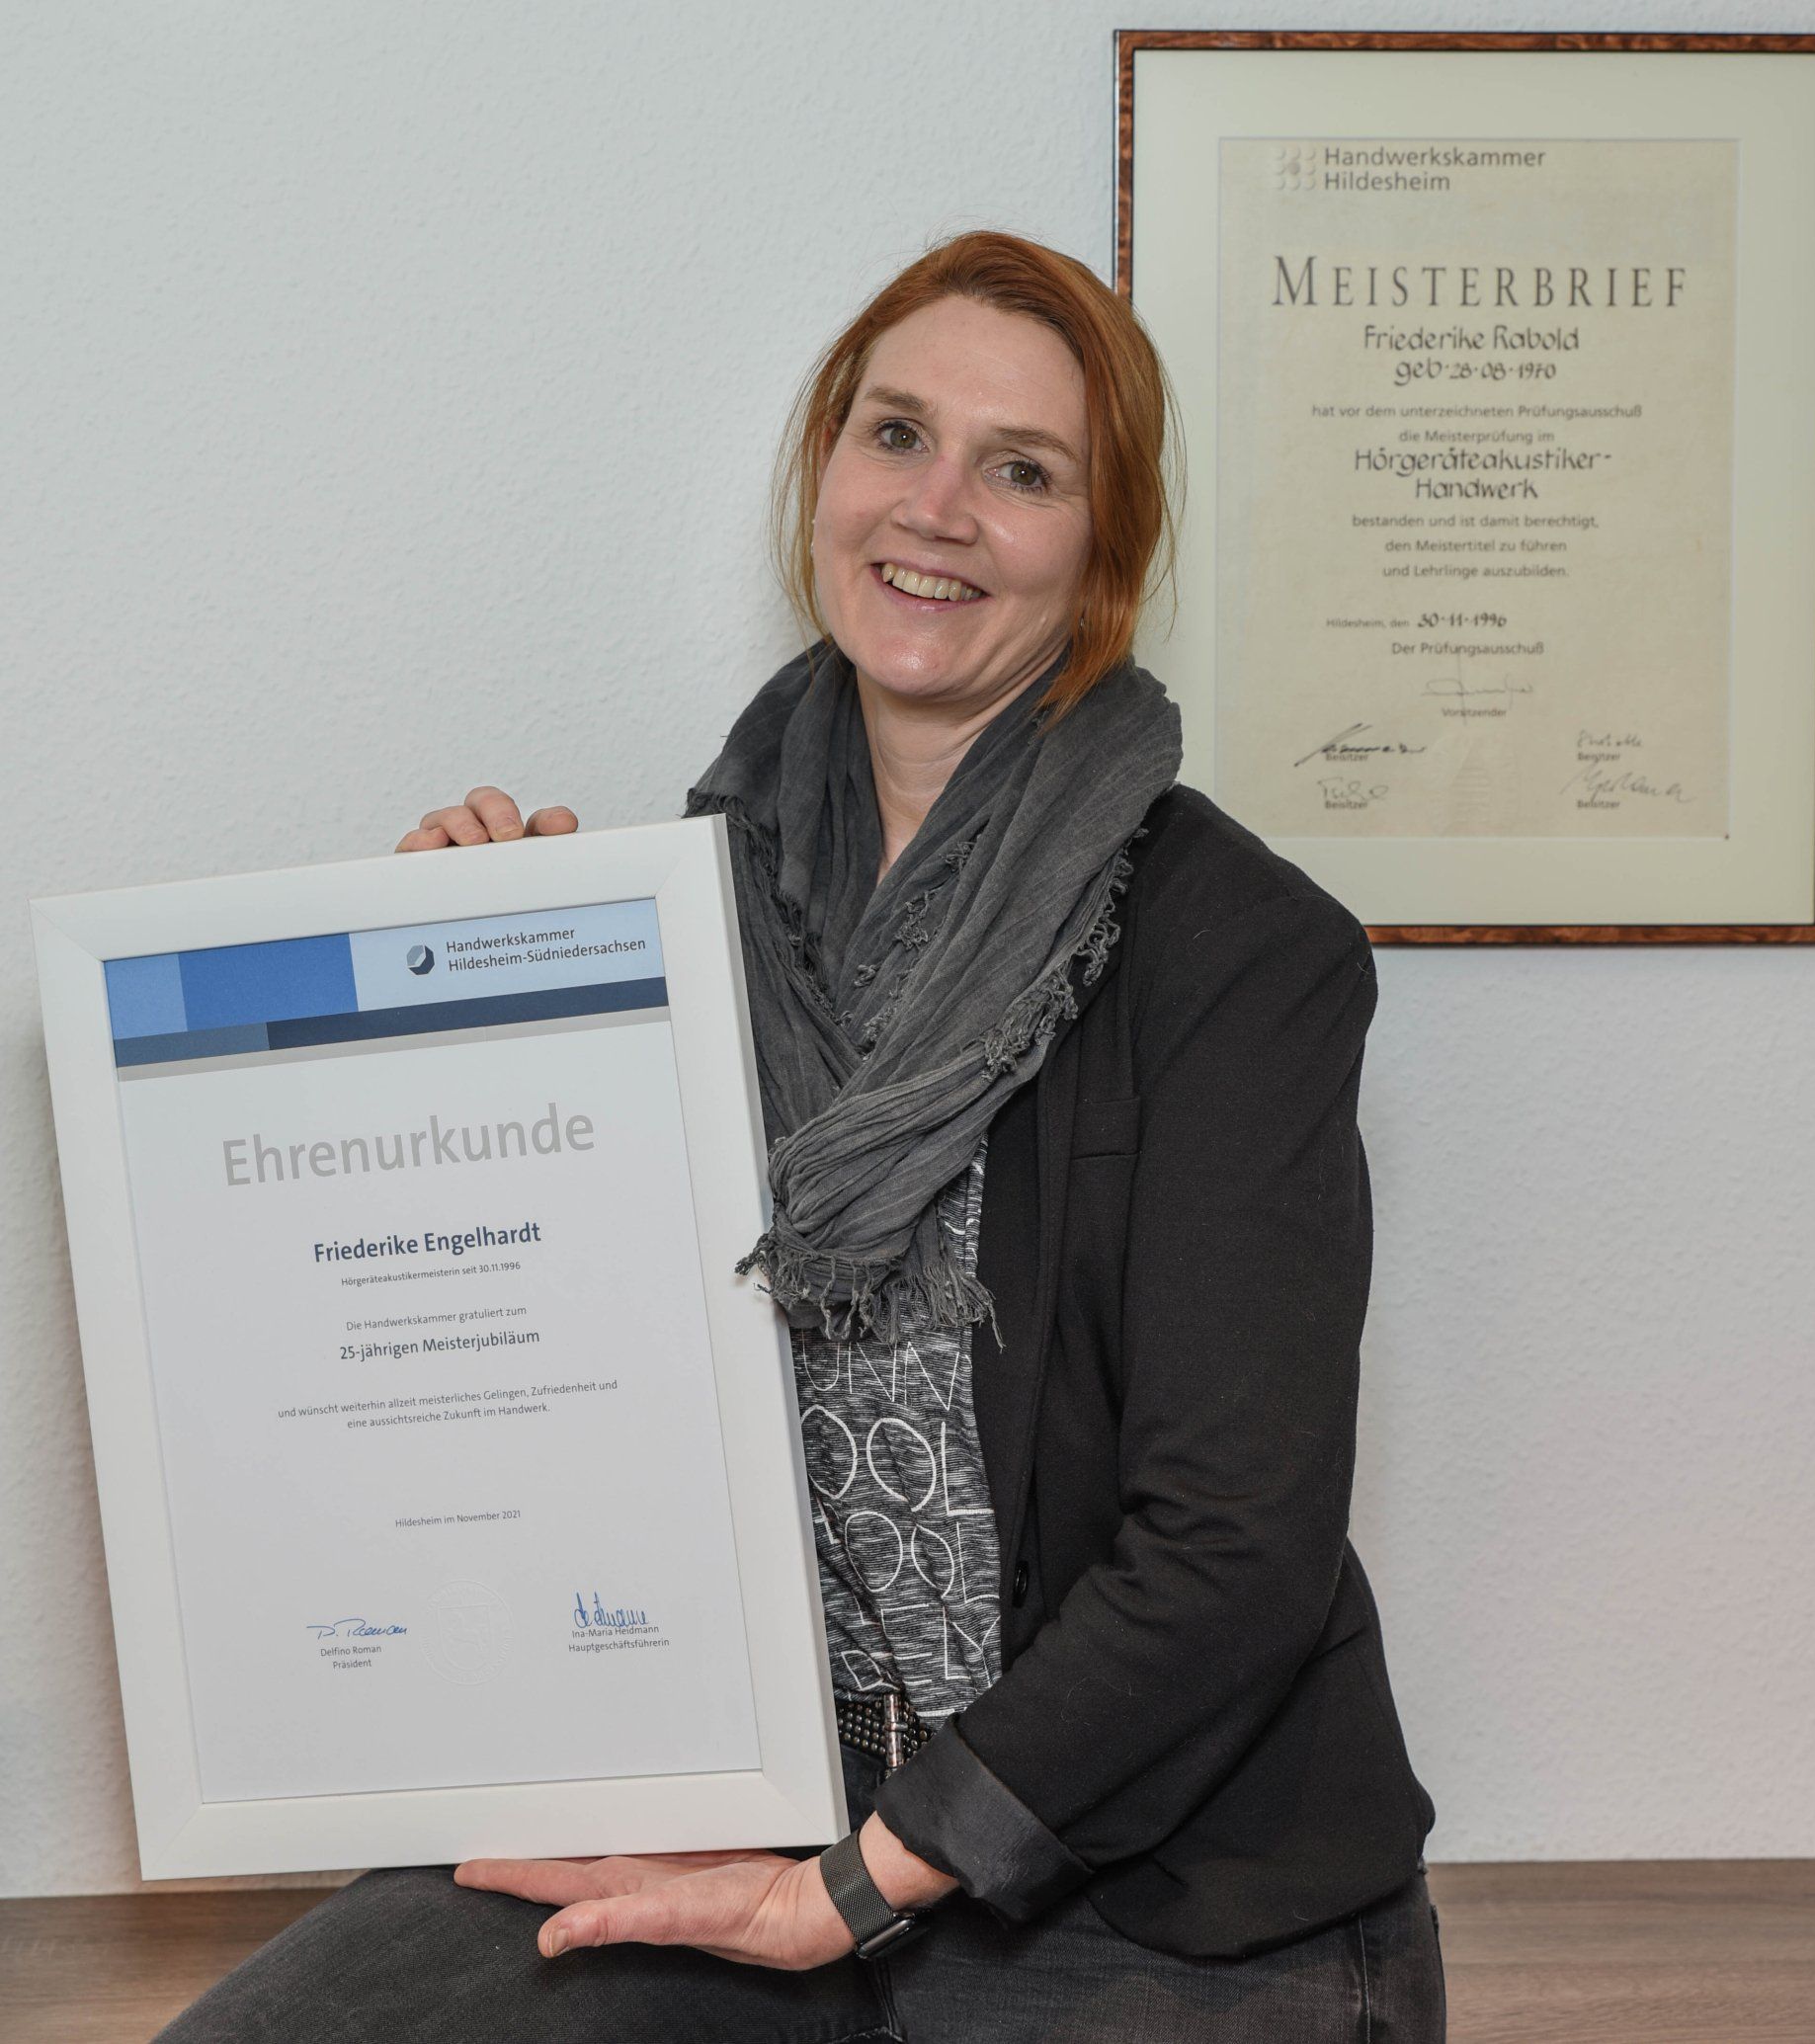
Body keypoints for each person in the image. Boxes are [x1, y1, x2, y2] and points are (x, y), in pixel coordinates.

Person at [156, 231, 1444, 2042]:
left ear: (1105, 552)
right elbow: (523, 1386)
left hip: (1138, 1879)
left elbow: (1235, 1549)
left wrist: (855, 1885)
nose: (938, 507)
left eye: (1023, 469)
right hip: (738, 1807)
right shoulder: (660, 919)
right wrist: (451, 1011)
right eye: (895, 433)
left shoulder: (1243, 952)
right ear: (824, 472)